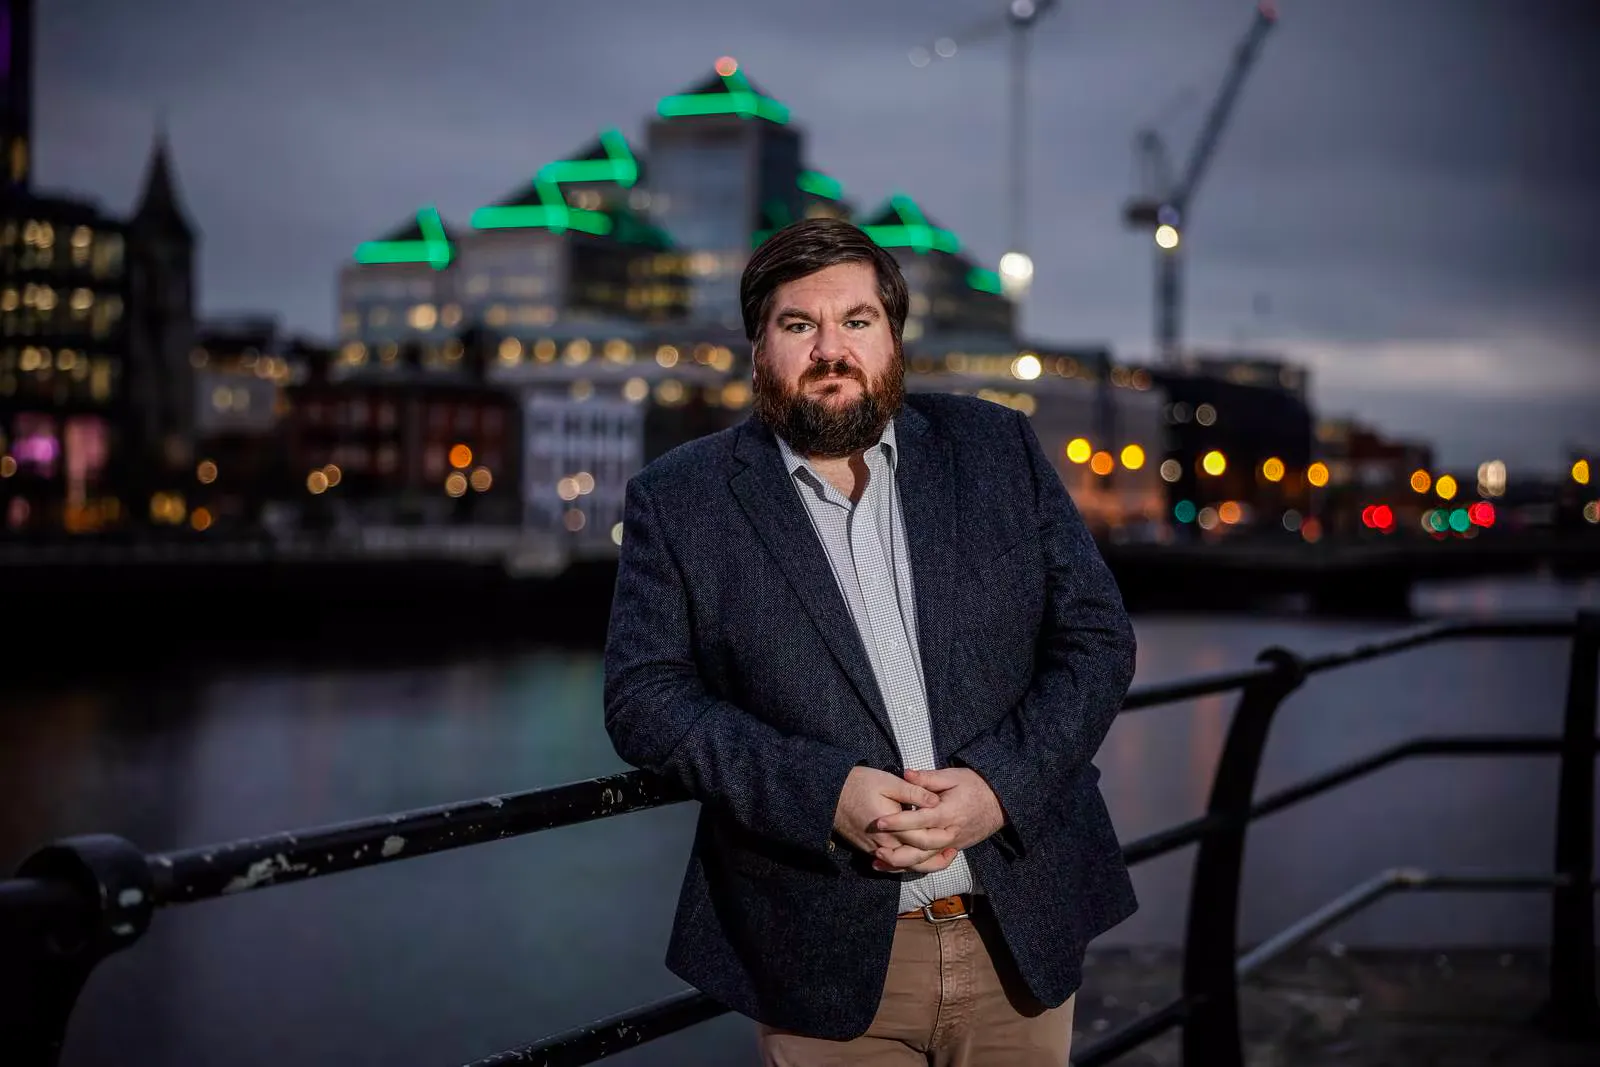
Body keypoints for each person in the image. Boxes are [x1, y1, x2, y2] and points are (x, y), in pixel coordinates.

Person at [604, 217, 1137, 1066]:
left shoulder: (996, 447)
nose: (830, 349)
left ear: (893, 338)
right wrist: (822, 795)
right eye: (798, 325)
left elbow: (1098, 638)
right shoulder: (680, 499)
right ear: (758, 348)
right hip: (823, 959)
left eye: (857, 321)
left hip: (1020, 930)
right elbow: (645, 700)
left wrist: (1001, 786)